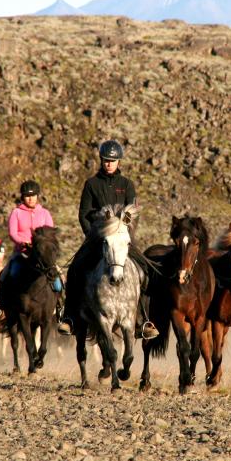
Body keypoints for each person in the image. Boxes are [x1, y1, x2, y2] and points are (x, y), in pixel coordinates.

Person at [58, 140, 158, 339]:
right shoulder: (91, 184)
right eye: (106, 160)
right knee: (76, 269)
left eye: (112, 160)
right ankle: (70, 318)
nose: (109, 163)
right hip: (98, 239)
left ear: (118, 161)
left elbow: (133, 213)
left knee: (144, 272)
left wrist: (126, 233)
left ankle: (143, 320)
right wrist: (92, 236)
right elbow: (83, 214)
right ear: (101, 160)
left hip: (122, 239)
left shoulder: (127, 185)